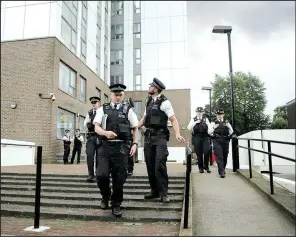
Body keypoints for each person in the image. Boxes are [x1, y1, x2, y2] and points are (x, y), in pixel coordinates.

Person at [137, 78, 185, 203]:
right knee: (150, 165)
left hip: (160, 138)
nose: (149, 88)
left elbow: (173, 119)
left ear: (156, 89)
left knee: (159, 164)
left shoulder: (165, 102)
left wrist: (178, 134)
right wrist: (135, 127)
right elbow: (144, 118)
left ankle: (164, 193)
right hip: (148, 138)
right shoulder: (148, 101)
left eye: (151, 86)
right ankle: (154, 191)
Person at [94, 83, 139, 217]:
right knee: (101, 175)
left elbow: (135, 127)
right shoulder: (103, 109)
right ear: (111, 95)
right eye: (115, 95)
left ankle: (116, 204)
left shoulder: (128, 110)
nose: (118, 97)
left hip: (121, 148)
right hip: (105, 146)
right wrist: (105, 133)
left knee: (119, 177)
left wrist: (135, 143)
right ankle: (105, 196)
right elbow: (96, 127)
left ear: (123, 95)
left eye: (120, 95)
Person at [208, 108, 235, 178]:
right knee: (219, 156)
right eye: (218, 114)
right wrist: (214, 127)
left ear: (223, 115)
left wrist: (227, 126)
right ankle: (221, 172)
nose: (220, 116)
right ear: (216, 115)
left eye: (221, 114)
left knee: (225, 155)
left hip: (225, 140)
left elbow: (231, 131)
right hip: (217, 140)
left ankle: (223, 168)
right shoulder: (213, 123)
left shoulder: (226, 122)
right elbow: (209, 132)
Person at [187, 107, 211, 173]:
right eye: (198, 112)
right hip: (197, 137)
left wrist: (211, 132)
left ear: (203, 112)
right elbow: (189, 128)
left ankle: (206, 166)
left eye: (200, 112)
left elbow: (210, 127)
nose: (199, 113)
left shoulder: (206, 119)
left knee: (206, 151)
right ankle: (201, 168)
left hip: (205, 137)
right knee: (199, 153)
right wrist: (195, 123)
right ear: (196, 112)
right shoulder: (193, 119)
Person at [84, 96, 101, 182]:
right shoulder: (89, 112)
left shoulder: (102, 112)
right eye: (92, 103)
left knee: (99, 156)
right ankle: (91, 174)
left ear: (99, 103)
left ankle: (98, 174)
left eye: (95, 102)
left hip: (99, 136)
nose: (94, 104)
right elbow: (86, 124)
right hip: (91, 137)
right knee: (89, 155)